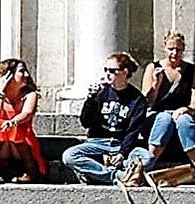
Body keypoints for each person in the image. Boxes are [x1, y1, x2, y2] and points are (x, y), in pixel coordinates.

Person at [124, 31, 195, 186]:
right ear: (164, 49)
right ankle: (145, 166)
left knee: (186, 121)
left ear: (183, 50)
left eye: (178, 49)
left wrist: (186, 109)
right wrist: (156, 85)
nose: (174, 53)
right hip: (156, 116)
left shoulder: (192, 71)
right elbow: (145, 102)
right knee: (164, 119)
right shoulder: (153, 67)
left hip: (180, 114)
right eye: (171, 49)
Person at [61, 52, 148, 184]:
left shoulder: (137, 99)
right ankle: (116, 176)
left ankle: (97, 172)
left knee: (147, 158)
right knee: (69, 156)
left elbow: (133, 131)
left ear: (125, 72)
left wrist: (122, 154)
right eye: (105, 70)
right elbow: (85, 122)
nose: (107, 74)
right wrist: (90, 99)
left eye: (112, 71)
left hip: (121, 144)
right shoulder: (101, 93)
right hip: (97, 142)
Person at [0, 58, 46, 183]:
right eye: (22, 72)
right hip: (1, 146)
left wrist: (13, 121)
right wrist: (0, 92)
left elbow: (27, 113)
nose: (26, 75)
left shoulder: (30, 95)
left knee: (13, 127)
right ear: (8, 75)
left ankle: (30, 170)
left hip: (22, 143)